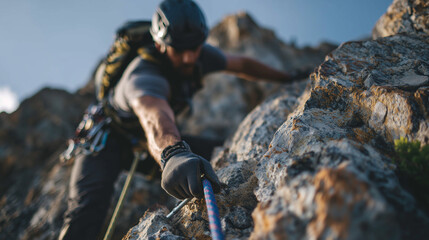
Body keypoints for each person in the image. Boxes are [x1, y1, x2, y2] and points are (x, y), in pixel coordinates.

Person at [59, 0, 303, 239]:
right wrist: (172, 154)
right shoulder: (142, 76)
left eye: (194, 47)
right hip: (106, 141)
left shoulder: (198, 55)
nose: (188, 58)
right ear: (160, 45)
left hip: (144, 143)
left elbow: (242, 64)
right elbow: (154, 116)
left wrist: (287, 77)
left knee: (221, 151)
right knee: (85, 211)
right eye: (179, 50)